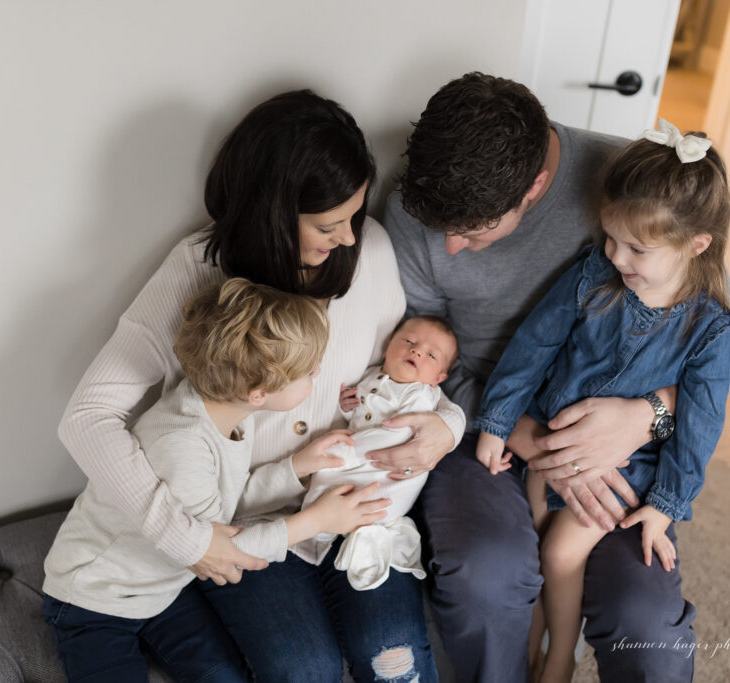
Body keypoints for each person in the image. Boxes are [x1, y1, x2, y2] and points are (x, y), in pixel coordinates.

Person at [57, 90, 464, 682]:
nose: (349, 238)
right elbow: (87, 416)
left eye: (354, 215)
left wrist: (446, 429)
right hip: (249, 521)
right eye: (329, 224)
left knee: (392, 657)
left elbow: (411, 370)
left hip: (359, 500)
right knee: (304, 670)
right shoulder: (197, 271)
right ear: (272, 211)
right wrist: (188, 540)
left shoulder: (369, 251)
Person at [383, 72, 730, 682]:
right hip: (483, 418)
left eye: (474, 231)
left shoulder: (634, 188)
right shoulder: (415, 205)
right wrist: (515, 427)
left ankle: (562, 656)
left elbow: (726, 344)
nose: (447, 247)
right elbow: (409, 362)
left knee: (648, 629)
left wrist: (647, 416)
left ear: (535, 188)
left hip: (619, 448)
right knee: (491, 571)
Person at [475, 120, 730, 683]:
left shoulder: (707, 328)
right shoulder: (595, 273)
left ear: (696, 245)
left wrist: (667, 504)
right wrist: (498, 420)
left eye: (637, 248)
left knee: (561, 553)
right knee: (535, 527)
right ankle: (533, 644)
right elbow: (533, 346)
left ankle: (559, 662)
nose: (616, 255)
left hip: (629, 466)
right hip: (550, 433)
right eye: (610, 236)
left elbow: (701, 425)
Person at [42, 278, 391, 681]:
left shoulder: (223, 415)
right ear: (259, 392)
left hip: (163, 593)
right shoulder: (184, 445)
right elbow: (226, 548)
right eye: (308, 372)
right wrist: (315, 521)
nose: (317, 374)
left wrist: (297, 466)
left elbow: (226, 506)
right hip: (96, 600)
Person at [297, 315, 459, 590]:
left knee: (336, 474)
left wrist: (347, 453)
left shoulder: (420, 395)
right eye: (408, 341)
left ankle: (350, 534)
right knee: (324, 484)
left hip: (388, 469)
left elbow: (396, 435)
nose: (417, 351)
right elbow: (357, 418)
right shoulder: (373, 375)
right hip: (363, 456)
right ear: (387, 347)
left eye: (431, 355)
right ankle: (320, 533)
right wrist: (345, 407)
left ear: (438, 379)